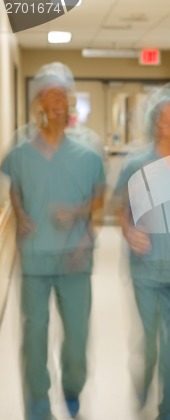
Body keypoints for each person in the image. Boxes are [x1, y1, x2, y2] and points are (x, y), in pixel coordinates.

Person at [0, 62, 105, 420]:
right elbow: (14, 184)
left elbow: (98, 198)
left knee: (76, 339)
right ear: (38, 103)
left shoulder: (88, 148)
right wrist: (21, 214)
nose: (56, 103)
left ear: (70, 101)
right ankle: (38, 406)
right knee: (34, 337)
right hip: (34, 257)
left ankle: (72, 386)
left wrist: (79, 217)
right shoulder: (20, 146)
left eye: (62, 95)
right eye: (48, 95)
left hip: (75, 257)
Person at [115, 86, 170, 420]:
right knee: (151, 341)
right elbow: (122, 210)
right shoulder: (136, 163)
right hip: (146, 267)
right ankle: (143, 376)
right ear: (154, 122)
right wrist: (129, 231)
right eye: (166, 119)